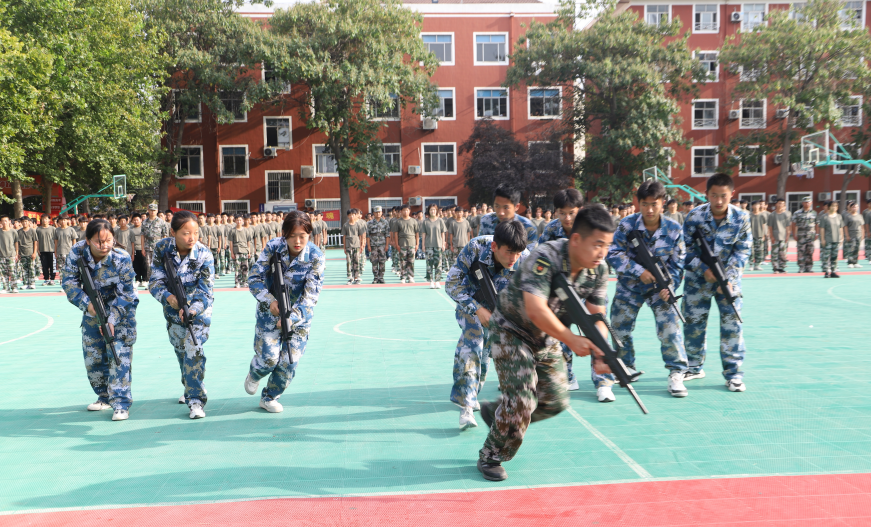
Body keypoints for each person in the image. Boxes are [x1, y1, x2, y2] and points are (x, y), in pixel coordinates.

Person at [475, 207, 614, 482]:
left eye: (607, 246)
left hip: (548, 337)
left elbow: (597, 315)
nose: (602, 253)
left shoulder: (598, 270)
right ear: (577, 239)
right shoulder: (546, 256)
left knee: (556, 400)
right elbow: (536, 309)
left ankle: (501, 414)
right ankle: (491, 454)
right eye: (598, 244)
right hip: (512, 330)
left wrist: (601, 351)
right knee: (522, 400)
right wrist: (571, 339)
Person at [606, 180, 688, 400]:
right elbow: (612, 253)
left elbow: (678, 263)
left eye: (654, 204)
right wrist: (637, 271)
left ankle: (677, 372)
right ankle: (626, 366)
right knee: (619, 327)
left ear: (663, 203)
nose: (649, 210)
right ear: (638, 204)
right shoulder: (627, 225)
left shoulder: (674, 229)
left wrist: (670, 287)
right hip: (630, 286)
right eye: (644, 204)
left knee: (670, 329)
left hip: (659, 289)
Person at [445, 221, 529, 430]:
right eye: (509, 252)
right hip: (470, 304)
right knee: (473, 341)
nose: (513, 258)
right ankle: (466, 404)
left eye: (517, 253)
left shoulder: (526, 261)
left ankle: (472, 392)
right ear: (494, 247)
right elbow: (452, 284)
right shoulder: (476, 248)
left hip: (502, 313)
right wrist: (477, 309)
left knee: (486, 355)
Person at [244, 211, 325, 413]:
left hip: (299, 317)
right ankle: (255, 372)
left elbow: (311, 297)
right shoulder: (273, 247)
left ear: (309, 234)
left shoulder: (316, 257)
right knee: (268, 359)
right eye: (292, 236)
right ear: (284, 234)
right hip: (270, 313)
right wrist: (269, 300)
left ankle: (270, 397)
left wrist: (292, 317)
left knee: (290, 361)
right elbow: (254, 278)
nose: (297, 241)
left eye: (302, 236)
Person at [61, 219, 139, 421]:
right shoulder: (77, 252)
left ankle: (121, 403)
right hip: (92, 310)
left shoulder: (121, 258)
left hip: (120, 311)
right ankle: (104, 396)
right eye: (99, 241)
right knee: (93, 357)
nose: (104, 245)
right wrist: (87, 305)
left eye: (109, 240)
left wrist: (112, 318)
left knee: (118, 354)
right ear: (87, 240)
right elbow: (69, 282)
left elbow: (127, 293)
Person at [682, 173, 751, 392]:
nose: (719, 201)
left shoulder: (742, 218)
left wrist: (727, 278)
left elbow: (743, 251)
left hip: (728, 283)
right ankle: (693, 366)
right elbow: (684, 250)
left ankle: (734, 374)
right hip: (697, 281)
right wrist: (703, 269)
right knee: (693, 324)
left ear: (732, 194)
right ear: (706, 194)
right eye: (714, 195)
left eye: (723, 196)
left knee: (732, 326)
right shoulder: (694, 216)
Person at [149, 211, 215, 419]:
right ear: (173, 232)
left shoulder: (204, 254)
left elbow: (206, 291)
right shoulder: (162, 248)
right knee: (181, 349)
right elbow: (155, 282)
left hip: (198, 309)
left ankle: (196, 401)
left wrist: (192, 309)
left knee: (193, 347)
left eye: (195, 233)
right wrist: (168, 297)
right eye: (186, 233)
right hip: (172, 308)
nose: (192, 238)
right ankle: (189, 384)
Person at [477, 184, 539, 250]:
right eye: (497, 206)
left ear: (516, 207)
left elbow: (530, 254)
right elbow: (480, 248)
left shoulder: (529, 228)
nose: (501, 213)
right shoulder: (486, 220)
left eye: (506, 208)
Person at [391, 204, 420, 283]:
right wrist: (397, 244)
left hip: (412, 243)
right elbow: (396, 234)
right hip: (402, 243)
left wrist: (417, 244)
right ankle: (403, 277)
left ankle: (411, 276)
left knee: (411, 261)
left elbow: (417, 234)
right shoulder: (398, 222)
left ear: (409, 211)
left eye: (407, 210)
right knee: (402, 261)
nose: (405, 212)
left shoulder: (414, 221)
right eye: (404, 210)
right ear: (401, 211)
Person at [142, 203, 170, 283]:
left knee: (158, 264)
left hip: (158, 246)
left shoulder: (161, 222)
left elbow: (164, 235)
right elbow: (142, 235)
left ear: (157, 211)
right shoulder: (144, 222)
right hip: (148, 246)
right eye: (151, 210)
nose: (152, 212)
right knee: (148, 265)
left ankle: (159, 281)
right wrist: (142, 248)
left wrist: (164, 247)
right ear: (148, 210)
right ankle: (150, 281)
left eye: (154, 210)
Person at [422, 203, 448, 288]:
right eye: (431, 210)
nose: (432, 211)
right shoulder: (425, 222)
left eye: (434, 210)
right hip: (429, 245)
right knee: (429, 264)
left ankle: (437, 281)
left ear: (436, 211)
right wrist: (423, 245)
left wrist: (443, 244)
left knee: (438, 264)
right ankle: (431, 281)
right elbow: (424, 235)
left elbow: (443, 233)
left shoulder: (440, 221)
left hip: (438, 245)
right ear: (428, 211)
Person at [818, 200, 844, 278]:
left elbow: (841, 228)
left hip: (836, 239)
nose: (834, 207)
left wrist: (842, 238)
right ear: (829, 207)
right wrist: (822, 239)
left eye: (836, 206)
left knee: (834, 256)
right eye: (832, 206)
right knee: (826, 256)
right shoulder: (824, 217)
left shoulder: (839, 216)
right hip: (828, 239)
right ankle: (826, 272)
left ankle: (833, 271)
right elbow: (822, 229)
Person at [791, 196, 817, 273]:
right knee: (801, 251)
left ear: (811, 203)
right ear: (802, 203)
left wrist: (817, 234)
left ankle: (809, 267)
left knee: (810, 251)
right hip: (801, 234)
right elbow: (793, 224)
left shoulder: (814, 213)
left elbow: (817, 224)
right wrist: (794, 234)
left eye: (808, 202)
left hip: (811, 234)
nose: (807, 204)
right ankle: (801, 267)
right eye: (805, 202)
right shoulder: (797, 213)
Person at [767, 198, 792, 274]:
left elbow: (788, 226)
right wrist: (771, 236)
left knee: (783, 253)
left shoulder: (785, 215)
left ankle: (782, 268)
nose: (781, 205)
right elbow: (770, 227)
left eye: (782, 203)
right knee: (774, 253)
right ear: (776, 204)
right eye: (779, 203)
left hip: (783, 236)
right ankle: (775, 268)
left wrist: (787, 236)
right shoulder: (772, 215)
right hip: (775, 236)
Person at [367, 206, 390, 284]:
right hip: (373, 245)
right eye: (376, 212)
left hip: (382, 245)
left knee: (382, 261)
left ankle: (381, 277)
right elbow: (368, 235)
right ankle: (375, 277)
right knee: (374, 262)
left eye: (379, 212)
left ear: (382, 212)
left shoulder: (385, 222)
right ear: (373, 213)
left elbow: (387, 235)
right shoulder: (369, 223)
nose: (378, 214)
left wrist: (387, 245)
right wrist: (368, 245)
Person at [229, 214, 253, 288]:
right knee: (237, 268)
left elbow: (248, 242)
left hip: (245, 251)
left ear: (243, 221)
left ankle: (245, 282)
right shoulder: (232, 230)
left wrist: (249, 252)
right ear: (235, 221)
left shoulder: (246, 230)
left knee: (245, 267)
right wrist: (232, 253)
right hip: (236, 251)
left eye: (240, 220)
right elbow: (231, 243)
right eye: (237, 220)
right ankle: (237, 282)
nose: (239, 221)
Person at [341, 209, 363, 285]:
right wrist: (344, 247)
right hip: (348, 246)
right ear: (348, 216)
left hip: (356, 245)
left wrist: (361, 245)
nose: (352, 216)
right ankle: (350, 278)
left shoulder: (358, 225)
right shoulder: (345, 225)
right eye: (350, 215)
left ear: (356, 215)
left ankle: (356, 277)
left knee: (356, 261)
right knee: (349, 262)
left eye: (353, 215)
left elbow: (360, 236)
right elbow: (344, 236)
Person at [16, 216, 38, 290]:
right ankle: (25, 283)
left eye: (26, 221)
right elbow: (17, 243)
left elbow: (35, 242)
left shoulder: (33, 231)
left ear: (29, 222)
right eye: (23, 221)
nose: (24, 223)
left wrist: (34, 253)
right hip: (22, 253)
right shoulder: (19, 232)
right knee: (24, 269)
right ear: (21, 223)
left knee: (31, 268)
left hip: (30, 253)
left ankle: (32, 283)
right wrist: (17, 253)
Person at [36, 214, 57, 285]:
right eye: (43, 219)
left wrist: (55, 249)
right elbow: (37, 240)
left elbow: (56, 240)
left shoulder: (53, 229)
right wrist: (37, 249)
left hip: (51, 250)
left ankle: (52, 279)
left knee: (52, 265)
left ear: (49, 220)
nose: (44, 220)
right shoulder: (38, 229)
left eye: (46, 219)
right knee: (44, 265)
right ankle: (46, 279)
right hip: (42, 250)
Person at [0, 215, 18, 293]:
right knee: (3, 273)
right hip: (1, 255)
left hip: (11, 255)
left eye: (6, 220)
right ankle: (5, 288)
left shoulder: (13, 231)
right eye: (3, 221)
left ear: (9, 221)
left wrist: (17, 253)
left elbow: (16, 242)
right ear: (0, 222)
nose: (4, 222)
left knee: (12, 272)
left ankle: (14, 287)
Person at [844, 201, 865, 268]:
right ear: (850, 208)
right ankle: (850, 262)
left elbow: (862, 226)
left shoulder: (860, 216)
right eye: (853, 207)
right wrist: (847, 235)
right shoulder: (848, 216)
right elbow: (845, 226)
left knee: (857, 249)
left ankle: (855, 262)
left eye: (856, 207)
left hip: (858, 234)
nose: (854, 208)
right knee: (851, 249)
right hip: (851, 234)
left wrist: (863, 235)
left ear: (858, 208)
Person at [749, 201, 767, 271]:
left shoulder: (762, 215)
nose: (756, 206)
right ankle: (751, 265)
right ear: (752, 206)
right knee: (751, 251)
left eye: (757, 205)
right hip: (750, 236)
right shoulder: (749, 215)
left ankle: (757, 265)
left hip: (759, 235)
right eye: (755, 205)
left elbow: (763, 225)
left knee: (759, 251)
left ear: (759, 206)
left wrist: (764, 235)